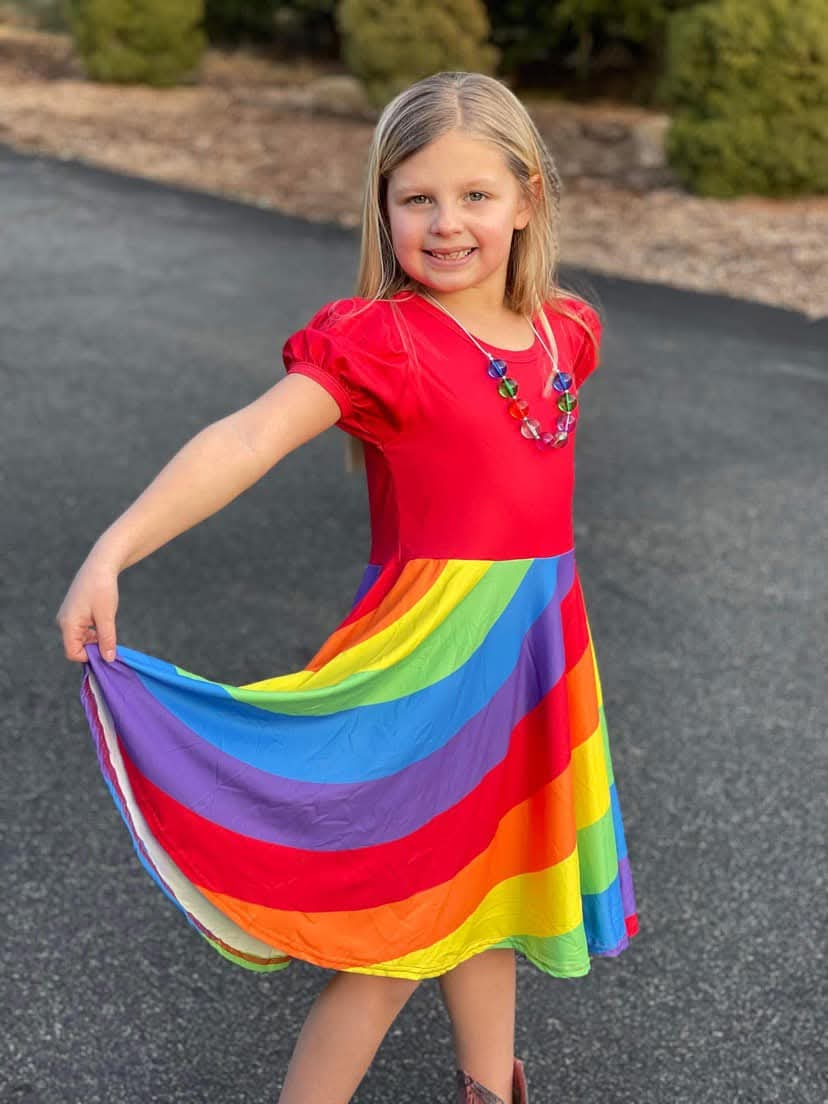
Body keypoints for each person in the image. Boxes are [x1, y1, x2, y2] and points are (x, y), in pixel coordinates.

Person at [56, 70, 639, 1104]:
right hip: (428, 671)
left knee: (493, 899)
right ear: (383, 205)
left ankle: (490, 1088)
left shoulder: (567, 334)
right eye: (417, 199)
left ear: (528, 199)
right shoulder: (386, 344)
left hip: (532, 666)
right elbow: (244, 439)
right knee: (391, 941)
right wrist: (114, 548)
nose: (447, 223)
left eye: (475, 196)